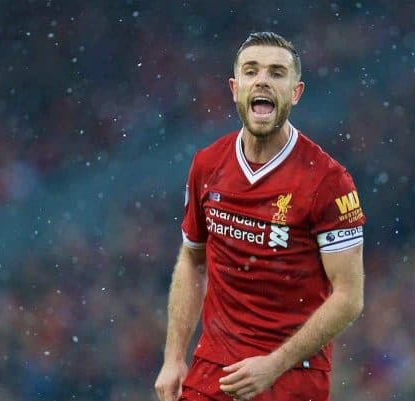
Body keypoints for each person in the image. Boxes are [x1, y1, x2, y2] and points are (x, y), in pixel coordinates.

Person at [155, 32, 366, 401]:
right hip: (214, 369)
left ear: (295, 92)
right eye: (251, 71)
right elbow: (192, 260)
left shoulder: (328, 180)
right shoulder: (207, 164)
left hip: (291, 376)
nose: (263, 80)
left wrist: (273, 363)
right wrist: (173, 358)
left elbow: (349, 296)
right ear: (236, 88)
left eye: (276, 73)